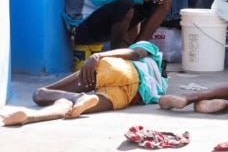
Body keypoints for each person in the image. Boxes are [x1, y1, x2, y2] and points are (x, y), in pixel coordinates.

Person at [0, 42, 167, 126]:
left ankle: (75, 97)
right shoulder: (161, 86)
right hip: (128, 95)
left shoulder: (151, 49)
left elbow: (134, 53)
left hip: (117, 69)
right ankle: (30, 117)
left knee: (40, 93)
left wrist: (97, 56)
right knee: (74, 109)